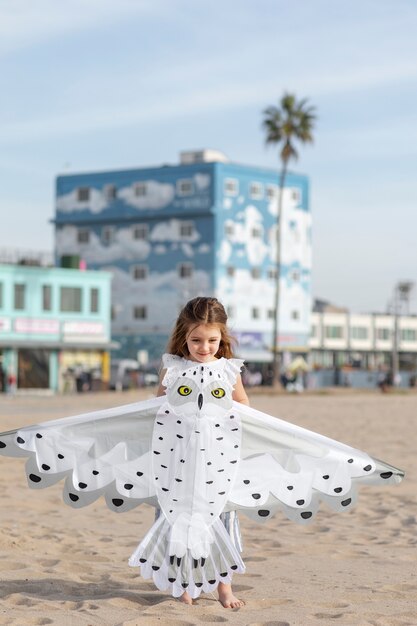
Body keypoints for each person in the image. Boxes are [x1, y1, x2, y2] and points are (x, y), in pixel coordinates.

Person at [156, 296, 249, 608]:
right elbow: (158, 409)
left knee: (220, 518)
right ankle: (182, 587)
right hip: (178, 461)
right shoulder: (172, 368)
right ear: (184, 336)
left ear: (222, 337)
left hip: (217, 460)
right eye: (196, 340)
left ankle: (224, 589)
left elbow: (243, 407)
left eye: (212, 340)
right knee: (179, 519)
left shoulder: (228, 370)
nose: (204, 347)